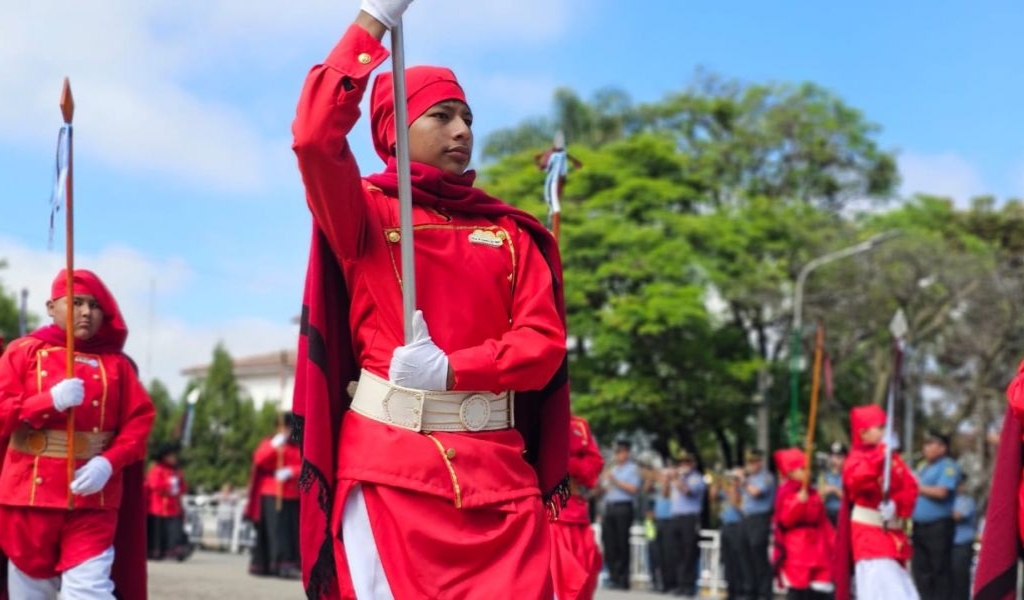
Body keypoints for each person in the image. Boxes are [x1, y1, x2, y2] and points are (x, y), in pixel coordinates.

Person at [289, 1, 571, 596]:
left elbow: (542, 345)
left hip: (502, 481)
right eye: (442, 116)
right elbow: (315, 137)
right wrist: (371, 23)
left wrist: (453, 369)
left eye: (467, 118)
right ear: (393, 129)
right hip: (392, 473)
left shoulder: (513, 233)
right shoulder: (361, 211)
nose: (463, 131)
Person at [0, 269, 154, 599]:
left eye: (96, 305)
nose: (87, 312)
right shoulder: (22, 352)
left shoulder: (118, 366)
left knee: (90, 592)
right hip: (28, 497)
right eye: (78, 302)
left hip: (93, 499)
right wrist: (48, 401)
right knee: (30, 592)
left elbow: (139, 424)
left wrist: (109, 464)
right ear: (51, 307)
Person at [833, 404, 919, 600]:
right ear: (863, 433)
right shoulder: (856, 458)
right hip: (869, 537)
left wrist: (897, 505)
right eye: (880, 428)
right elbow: (857, 481)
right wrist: (881, 454)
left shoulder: (893, 459)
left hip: (893, 535)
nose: (885, 432)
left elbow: (910, 487)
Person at [549, 414, 604, 600]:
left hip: (576, 510)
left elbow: (594, 466)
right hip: (550, 513)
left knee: (585, 572)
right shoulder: (532, 415)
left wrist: (567, 463)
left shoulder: (579, 425)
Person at [771, 448, 834, 600]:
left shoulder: (811, 491)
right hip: (797, 548)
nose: (807, 472)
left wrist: (818, 501)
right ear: (791, 472)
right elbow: (785, 519)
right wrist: (798, 503)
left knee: (821, 589)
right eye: (802, 468)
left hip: (817, 546)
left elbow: (819, 519)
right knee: (799, 591)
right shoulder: (786, 492)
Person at [245, 414, 302, 579]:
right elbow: (258, 459)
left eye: (287, 427)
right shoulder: (270, 443)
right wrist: (273, 446)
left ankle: (286, 562)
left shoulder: (296, 446)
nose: (285, 430)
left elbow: (304, 465)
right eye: (282, 427)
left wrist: (291, 471)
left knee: (289, 531)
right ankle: (274, 563)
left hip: (291, 493)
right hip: (271, 492)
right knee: (274, 530)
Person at [911, 429, 960, 600]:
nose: (928, 448)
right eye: (927, 444)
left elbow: (942, 492)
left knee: (939, 570)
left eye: (933, 444)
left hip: (938, 526)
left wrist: (917, 487)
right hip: (919, 526)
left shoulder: (948, 466)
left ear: (943, 447)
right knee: (921, 571)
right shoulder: (923, 467)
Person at [600, 439, 641, 590]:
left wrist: (615, 481)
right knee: (609, 543)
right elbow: (605, 489)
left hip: (624, 507)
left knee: (622, 543)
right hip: (609, 507)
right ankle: (613, 576)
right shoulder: (614, 469)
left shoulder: (632, 469)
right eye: (616, 453)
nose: (618, 455)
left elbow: (634, 489)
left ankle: (623, 578)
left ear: (627, 453)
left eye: (620, 452)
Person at [667, 450, 705, 599]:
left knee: (689, 552)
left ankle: (689, 585)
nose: (683, 465)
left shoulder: (696, 478)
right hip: (676, 517)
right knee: (677, 552)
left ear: (693, 464)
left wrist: (677, 479)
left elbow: (688, 492)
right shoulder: (677, 479)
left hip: (690, 518)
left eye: (687, 462)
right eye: (681, 462)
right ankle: (680, 584)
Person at [738, 448, 775, 600]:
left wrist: (743, 481)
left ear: (760, 462)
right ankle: (750, 590)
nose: (751, 465)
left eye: (754, 462)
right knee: (745, 554)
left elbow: (756, 492)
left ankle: (764, 592)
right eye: (749, 462)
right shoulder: (749, 479)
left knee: (758, 554)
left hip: (760, 518)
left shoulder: (766, 477)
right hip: (746, 518)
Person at [146, 441, 191, 561]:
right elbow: (154, 484)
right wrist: (167, 488)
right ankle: (156, 552)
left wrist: (179, 490)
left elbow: (183, 486)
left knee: (174, 531)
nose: (174, 458)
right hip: (158, 506)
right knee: (158, 532)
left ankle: (175, 551)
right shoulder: (157, 469)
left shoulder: (177, 471)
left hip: (173, 507)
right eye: (171, 456)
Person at [712, 468, 749, 600]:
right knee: (727, 560)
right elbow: (713, 496)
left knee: (739, 560)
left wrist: (734, 489)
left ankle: (741, 590)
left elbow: (739, 507)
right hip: (725, 526)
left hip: (738, 527)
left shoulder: (744, 491)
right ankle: (730, 590)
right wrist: (718, 481)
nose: (733, 481)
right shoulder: (726, 491)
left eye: (736, 478)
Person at [950, 474, 976, 600]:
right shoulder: (947, 501)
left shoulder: (966, 501)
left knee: (960, 578)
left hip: (962, 545)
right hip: (947, 545)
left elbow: (957, 516)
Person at [819, 442, 846, 526]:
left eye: (839, 458)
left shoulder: (847, 475)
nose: (835, 461)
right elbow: (818, 497)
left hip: (842, 514)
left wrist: (834, 489)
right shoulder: (824, 475)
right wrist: (823, 492)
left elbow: (849, 498)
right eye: (832, 457)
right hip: (827, 514)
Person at [215, 483, 239, 552]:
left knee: (228, 532)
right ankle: (221, 544)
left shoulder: (233, 496)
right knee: (219, 531)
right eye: (224, 489)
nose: (225, 490)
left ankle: (226, 545)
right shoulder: (220, 494)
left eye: (226, 489)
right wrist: (222, 496)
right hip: (221, 516)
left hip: (229, 517)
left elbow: (235, 498)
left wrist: (226, 497)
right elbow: (215, 497)